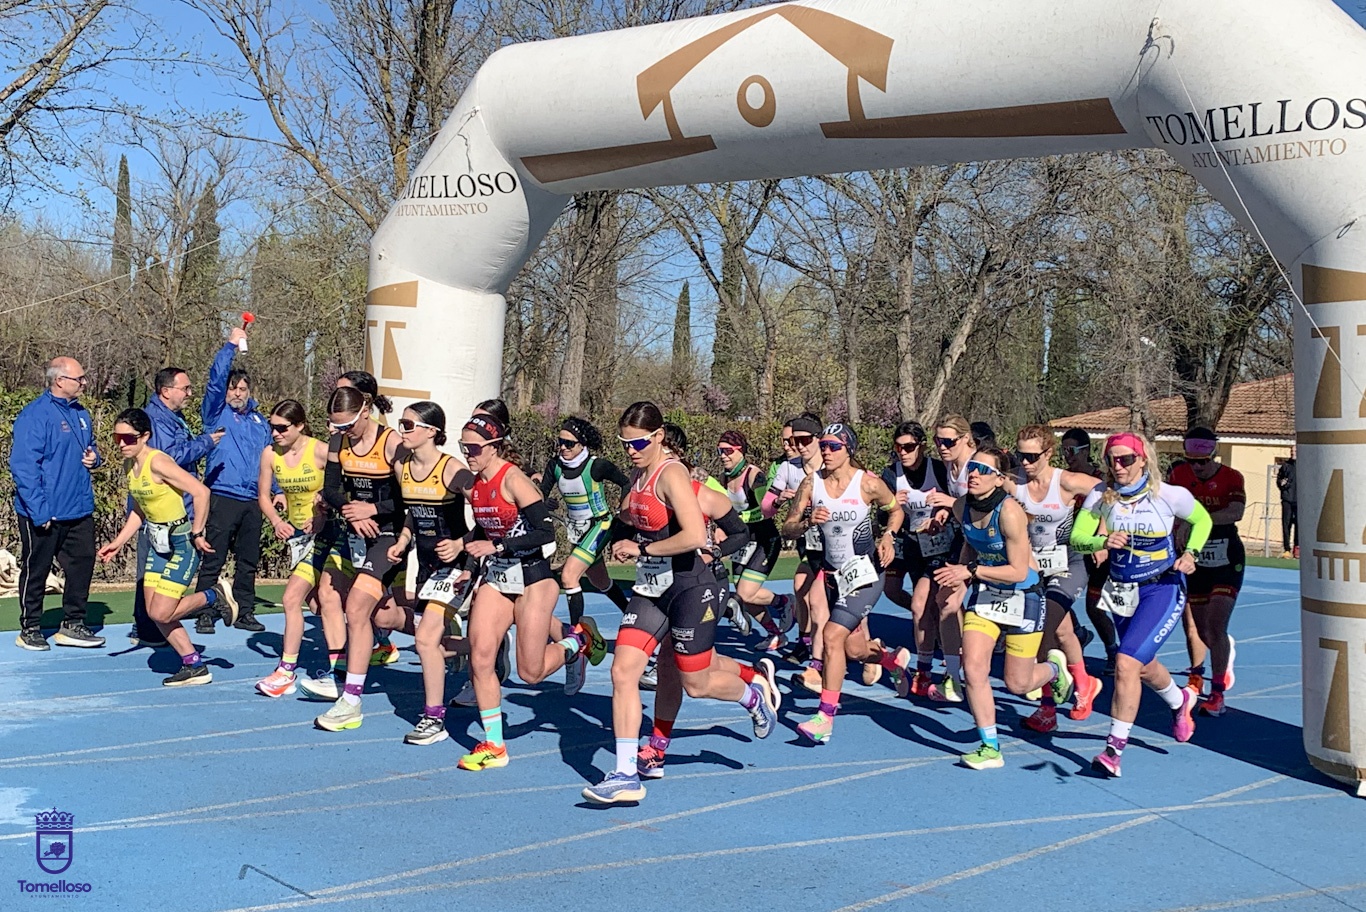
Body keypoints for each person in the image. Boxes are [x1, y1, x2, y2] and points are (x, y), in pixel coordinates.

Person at [583, 402, 776, 804]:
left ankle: (751, 696)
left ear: (658, 437)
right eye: (624, 443)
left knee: (695, 680)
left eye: (637, 442)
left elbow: (692, 536)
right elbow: (629, 518)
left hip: (692, 586)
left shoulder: (673, 474)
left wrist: (644, 548)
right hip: (652, 589)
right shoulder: (639, 473)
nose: (630, 450)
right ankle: (624, 774)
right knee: (623, 672)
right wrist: (615, 538)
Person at [456, 413, 605, 771]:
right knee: (480, 656)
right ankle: (494, 744)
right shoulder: (477, 484)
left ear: (493, 447)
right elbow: (483, 531)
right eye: (463, 447)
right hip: (497, 577)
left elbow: (545, 533)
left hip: (534, 577)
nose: (468, 454)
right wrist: (467, 563)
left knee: (531, 672)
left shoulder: (514, 479)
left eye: (473, 447)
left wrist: (500, 547)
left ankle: (577, 642)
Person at [1070, 432, 1212, 778]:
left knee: (1125, 661)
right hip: (1121, 591)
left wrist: (1191, 554)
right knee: (1141, 665)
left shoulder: (1168, 495)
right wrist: (1102, 539)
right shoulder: (1101, 497)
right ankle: (1181, 702)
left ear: (1143, 459)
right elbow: (1077, 537)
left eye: (1126, 459)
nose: (1118, 467)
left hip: (1161, 588)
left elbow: (1202, 520)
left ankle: (1113, 750)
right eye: (1112, 460)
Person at [637, 422, 768, 781]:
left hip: (702, 586)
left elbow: (741, 531)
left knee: (694, 680)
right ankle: (656, 749)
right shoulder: (640, 488)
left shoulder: (702, 492)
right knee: (668, 668)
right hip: (660, 587)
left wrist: (714, 551)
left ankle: (752, 694)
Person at [933, 446, 1073, 770]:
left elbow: (1019, 571)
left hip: (1023, 596)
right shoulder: (961, 507)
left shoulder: (1010, 513)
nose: (974, 474)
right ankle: (990, 746)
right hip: (986, 593)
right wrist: (960, 581)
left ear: (999, 479)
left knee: (1018, 684)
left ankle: (1054, 668)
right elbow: (970, 541)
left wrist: (968, 572)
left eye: (983, 470)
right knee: (974, 669)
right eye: (972, 468)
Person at [96, 408, 237, 684]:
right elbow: (140, 510)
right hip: (156, 542)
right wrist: (118, 542)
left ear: (145, 436)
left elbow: (201, 491)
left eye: (129, 438)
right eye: (117, 438)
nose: (122, 444)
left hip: (181, 542)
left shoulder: (158, 462)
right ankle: (194, 664)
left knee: (162, 611)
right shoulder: (130, 465)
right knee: (155, 613)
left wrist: (197, 531)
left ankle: (214, 596)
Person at [782, 423, 903, 744]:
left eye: (833, 446)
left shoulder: (868, 484)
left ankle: (825, 717)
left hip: (866, 573)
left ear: (849, 448)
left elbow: (895, 510)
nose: (826, 451)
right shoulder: (812, 483)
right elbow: (788, 527)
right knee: (852, 649)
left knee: (832, 637)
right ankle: (889, 658)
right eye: (823, 445)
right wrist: (808, 521)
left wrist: (889, 535)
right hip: (834, 576)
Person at [312, 386, 409, 730]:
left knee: (356, 607)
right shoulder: (340, 442)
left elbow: (407, 497)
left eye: (347, 425)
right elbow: (333, 489)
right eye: (334, 426)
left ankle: (351, 699)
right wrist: (352, 512)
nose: (340, 432)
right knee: (383, 617)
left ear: (365, 412)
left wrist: (373, 508)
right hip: (356, 530)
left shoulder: (391, 443)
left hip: (390, 533)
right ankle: (459, 642)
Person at [386, 402, 478, 745]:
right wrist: (403, 540)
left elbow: (487, 514)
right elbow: (412, 513)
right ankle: (484, 646)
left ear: (432, 432)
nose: (403, 430)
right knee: (432, 642)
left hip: (456, 565)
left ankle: (434, 719)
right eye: (401, 424)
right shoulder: (404, 467)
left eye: (409, 425)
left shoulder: (452, 469)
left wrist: (460, 543)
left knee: (424, 640)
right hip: (425, 566)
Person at [1005, 425, 1104, 733]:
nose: (1025, 463)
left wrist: (1100, 533)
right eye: (1021, 455)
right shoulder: (1013, 483)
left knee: (1043, 627)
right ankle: (1081, 685)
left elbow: (1107, 492)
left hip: (1069, 562)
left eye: (1032, 457)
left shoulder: (1067, 481)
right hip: (1033, 564)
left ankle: (1051, 698)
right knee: (1062, 633)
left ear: (1048, 453)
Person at [253, 400, 348, 698]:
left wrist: (322, 507)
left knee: (290, 598)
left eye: (282, 428)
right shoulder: (270, 454)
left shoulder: (320, 450)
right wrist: (276, 521)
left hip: (326, 533)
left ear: (300, 426)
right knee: (318, 604)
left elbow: (343, 487)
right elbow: (264, 496)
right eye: (272, 427)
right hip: (297, 536)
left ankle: (287, 671)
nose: (276, 433)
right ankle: (343, 661)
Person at [11, 357, 105, 650]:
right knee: (36, 568)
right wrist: (40, 511)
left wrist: (95, 458)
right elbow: (24, 467)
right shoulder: (35, 415)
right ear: (60, 381)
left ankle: (74, 623)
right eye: (80, 378)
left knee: (82, 564)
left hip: (77, 508)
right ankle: (31, 627)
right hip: (43, 511)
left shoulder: (81, 413)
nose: (85, 383)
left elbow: (90, 449)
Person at [130, 365, 224, 646]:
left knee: (160, 599)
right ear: (166, 391)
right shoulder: (155, 422)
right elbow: (171, 458)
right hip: (163, 516)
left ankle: (172, 634)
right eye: (185, 388)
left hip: (177, 516)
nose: (190, 394)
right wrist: (205, 443)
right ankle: (206, 600)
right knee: (152, 589)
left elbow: (198, 490)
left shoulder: (173, 418)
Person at [536, 416, 632, 677]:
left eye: (569, 443)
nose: (563, 448)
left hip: (600, 525)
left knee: (569, 576)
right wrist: (544, 504)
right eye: (560, 442)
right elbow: (540, 494)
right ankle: (632, 616)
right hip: (576, 530)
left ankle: (577, 637)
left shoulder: (596, 466)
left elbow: (626, 482)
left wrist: (624, 511)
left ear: (582, 444)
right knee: (600, 581)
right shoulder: (555, 466)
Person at [194, 327, 272, 634]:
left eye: (242, 388)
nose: (237, 393)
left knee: (248, 561)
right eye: (232, 388)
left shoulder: (260, 422)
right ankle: (204, 610)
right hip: (222, 495)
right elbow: (214, 383)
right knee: (213, 557)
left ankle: (245, 611)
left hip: (253, 500)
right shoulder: (216, 414)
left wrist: (275, 491)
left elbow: (270, 461)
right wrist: (229, 346)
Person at [1168, 427, 1245, 717]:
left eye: (1202, 462)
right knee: (1201, 630)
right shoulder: (1178, 478)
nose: (1197, 468)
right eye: (1191, 462)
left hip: (1226, 557)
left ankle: (1217, 694)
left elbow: (1235, 512)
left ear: (1213, 456)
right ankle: (1221, 652)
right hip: (1194, 558)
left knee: (1215, 622)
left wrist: (1199, 521)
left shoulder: (1232, 477)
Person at [879, 420, 956, 698]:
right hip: (910, 544)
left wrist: (943, 513)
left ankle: (942, 664)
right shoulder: (891, 474)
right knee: (916, 602)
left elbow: (957, 502)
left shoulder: (938, 469)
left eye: (909, 446)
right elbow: (882, 515)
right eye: (898, 447)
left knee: (934, 602)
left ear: (921, 446)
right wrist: (893, 506)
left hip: (942, 545)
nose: (903, 452)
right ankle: (930, 659)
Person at [762, 414, 827, 690]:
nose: (797, 446)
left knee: (825, 603)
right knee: (804, 588)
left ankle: (874, 653)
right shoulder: (788, 468)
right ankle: (808, 645)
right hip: (810, 542)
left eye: (803, 440)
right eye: (792, 441)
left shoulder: (834, 463)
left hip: (840, 545)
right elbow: (767, 507)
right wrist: (779, 500)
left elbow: (865, 483)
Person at [716, 429, 793, 648]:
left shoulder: (753, 476)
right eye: (720, 451)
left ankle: (784, 601)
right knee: (745, 598)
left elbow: (764, 510)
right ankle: (776, 634)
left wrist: (737, 520)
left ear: (741, 451)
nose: (723, 455)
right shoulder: (723, 478)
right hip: (742, 543)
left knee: (744, 593)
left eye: (728, 450)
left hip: (765, 540)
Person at [927, 414, 977, 702]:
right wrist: (946, 513)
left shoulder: (976, 464)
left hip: (995, 543)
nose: (942, 447)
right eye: (938, 441)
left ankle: (1050, 672)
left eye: (949, 441)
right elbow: (964, 509)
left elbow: (987, 502)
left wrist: (951, 503)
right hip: (967, 541)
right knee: (945, 602)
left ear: (966, 439)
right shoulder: (950, 466)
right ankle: (953, 678)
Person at [1062, 428, 1119, 673]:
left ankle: (1113, 650)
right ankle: (1077, 633)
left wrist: (1101, 536)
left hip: (1094, 548)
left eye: (1072, 451)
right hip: (1065, 547)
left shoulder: (1099, 480)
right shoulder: (1063, 479)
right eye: (1063, 451)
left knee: (1094, 606)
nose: (1068, 456)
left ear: (1085, 451)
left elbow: (1108, 506)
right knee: (1054, 597)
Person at [1277, 445, 1297, 558]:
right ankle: (1286, 549)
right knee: (1286, 524)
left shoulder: (1305, 465)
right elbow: (1279, 480)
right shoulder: (1285, 466)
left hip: (1300, 501)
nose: (1293, 453)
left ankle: (1297, 548)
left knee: (1299, 525)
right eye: (1291, 451)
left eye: (1295, 451)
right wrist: (1281, 484)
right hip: (1287, 499)